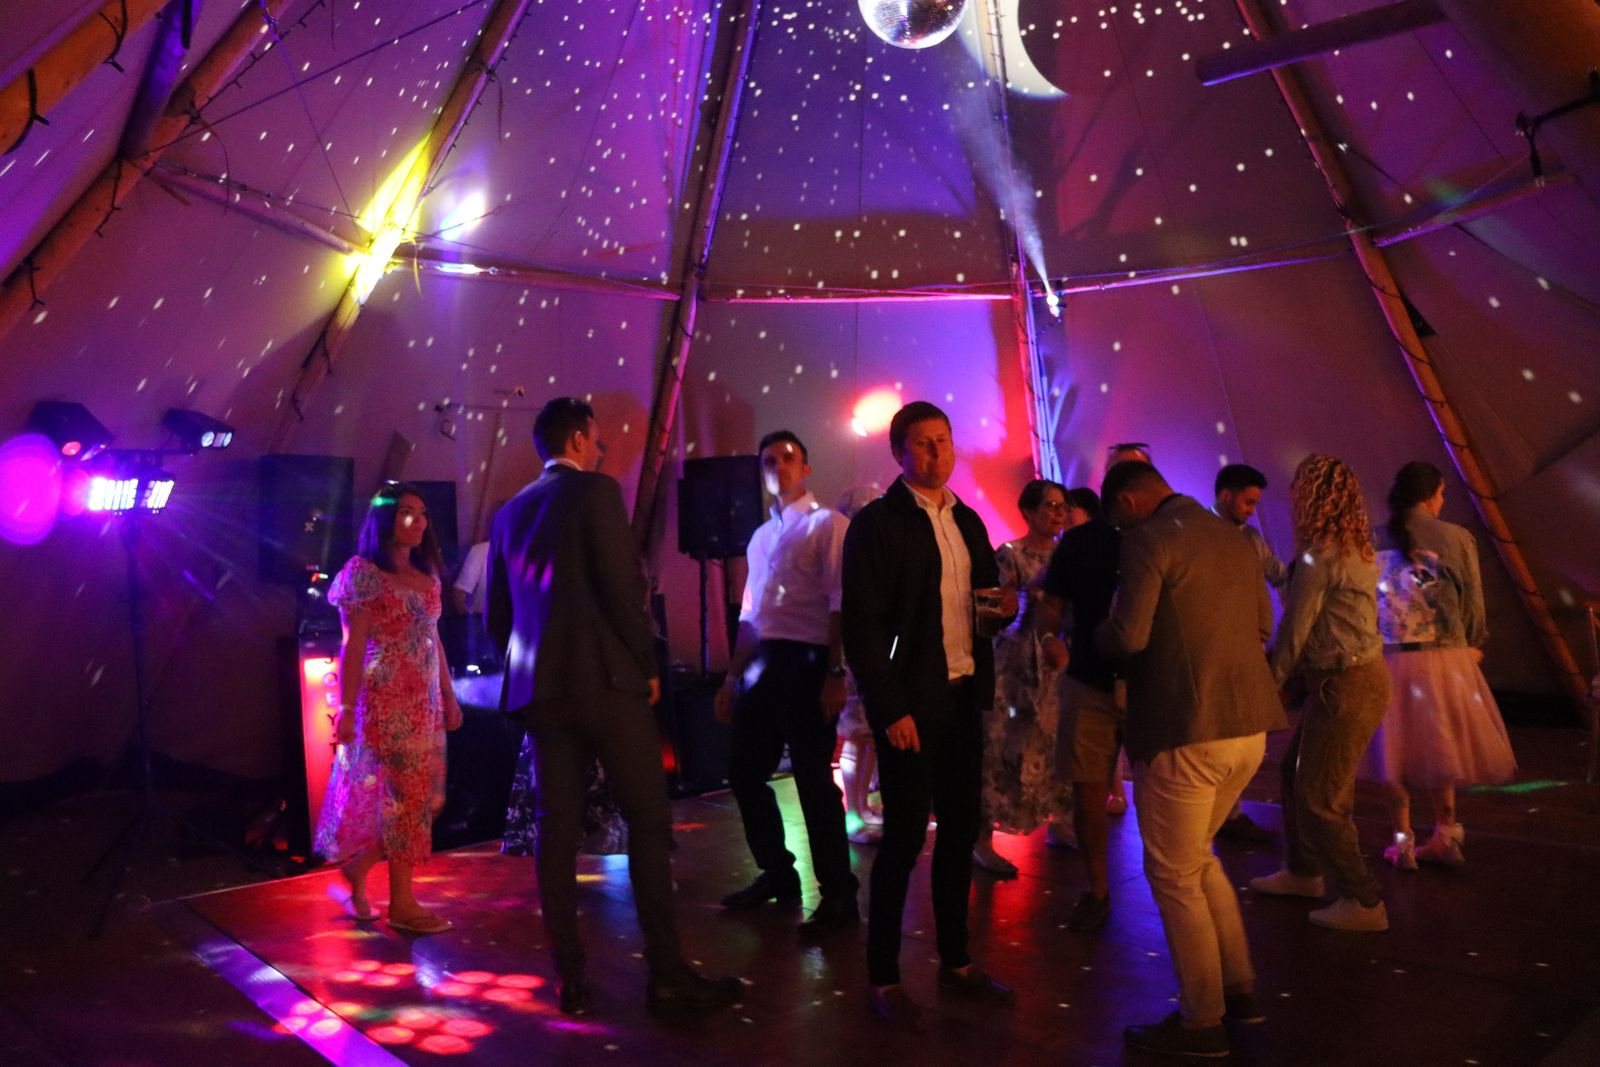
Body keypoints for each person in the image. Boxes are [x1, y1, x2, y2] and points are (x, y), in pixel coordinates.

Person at [486, 397, 741, 1016]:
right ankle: (667, 974)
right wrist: (646, 665)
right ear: (577, 440)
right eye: (596, 440)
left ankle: (570, 978)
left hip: (541, 694)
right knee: (648, 821)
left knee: (555, 831)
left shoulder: (508, 513)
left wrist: (533, 668)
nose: (601, 450)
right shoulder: (597, 493)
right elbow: (621, 587)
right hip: (605, 683)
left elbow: (499, 616)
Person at [1094, 461, 1284, 1059]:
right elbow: (1263, 625)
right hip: (1249, 727)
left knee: (1173, 875)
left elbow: (1129, 635)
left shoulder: (1148, 539)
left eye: (1116, 520)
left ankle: (1201, 1023)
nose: (1119, 530)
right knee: (1198, 860)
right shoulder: (1236, 538)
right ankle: (1240, 991)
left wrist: (1086, 636)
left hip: (1186, 729)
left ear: (1127, 502)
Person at [843, 401, 1017, 1030]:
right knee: (904, 839)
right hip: (912, 704)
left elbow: (986, 599)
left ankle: (956, 959)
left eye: (943, 440)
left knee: (961, 830)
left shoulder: (966, 519)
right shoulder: (878, 524)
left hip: (963, 694)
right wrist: (890, 707)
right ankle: (884, 976)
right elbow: (862, 627)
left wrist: (1004, 610)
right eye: (922, 443)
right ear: (899, 452)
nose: (937, 452)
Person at [715, 430, 859, 936]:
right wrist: (732, 676)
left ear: (807, 467)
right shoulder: (760, 537)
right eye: (769, 461)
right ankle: (778, 873)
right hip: (767, 663)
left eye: (788, 458)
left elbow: (841, 601)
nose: (778, 467)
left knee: (814, 782)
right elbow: (750, 614)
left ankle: (839, 893)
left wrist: (835, 672)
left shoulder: (828, 524)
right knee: (744, 771)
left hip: (810, 660)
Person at [1251, 454, 1392, 933]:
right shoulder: (1357, 549)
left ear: (1309, 497)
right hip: (1356, 679)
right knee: (1294, 775)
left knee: (1320, 798)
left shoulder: (1319, 557)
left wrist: (1266, 689)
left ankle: (1364, 900)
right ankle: (1303, 872)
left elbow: (1295, 633)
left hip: (1344, 685)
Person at [317, 482, 463, 936]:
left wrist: (448, 693)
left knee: (422, 801)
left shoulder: (426, 577)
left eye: (422, 513)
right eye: (405, 512)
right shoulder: (364, 574)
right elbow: (353, 644)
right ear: (385, 519)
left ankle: (359, 869)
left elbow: (433, 640)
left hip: (423, 704)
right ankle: (402, 903)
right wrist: (346, 707)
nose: (418, 521)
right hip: (384, 700)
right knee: (407, 800)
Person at [1366, 461, 1515, 868]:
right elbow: (1473, 604)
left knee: (1392, 751)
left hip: (1388, 659)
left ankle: (1403, 842)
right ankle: (1445, 835)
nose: (1442, 501)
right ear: (1431, 495)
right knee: (1440, 745)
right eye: (1442, 494)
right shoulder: (1456, 537)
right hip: (1443, 659)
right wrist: (1472, 643)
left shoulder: (1371, 537)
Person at [973, 479, 1075, 878]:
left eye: (1062, 506)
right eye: (1049, 505)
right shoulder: (1009, 554)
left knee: (1054, 745)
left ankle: (1059, 823)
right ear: (1029, 512)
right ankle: (983, 841)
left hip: (1055, 662)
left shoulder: (1068, 554)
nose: (1057, 513)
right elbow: (992, 612)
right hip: (1016, 663)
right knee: (1002, 748)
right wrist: (1018, 598)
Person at [1037, 486, 1122, 932]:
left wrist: (1051, 635)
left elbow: (1051, 605)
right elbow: (1051, 605)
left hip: (1109, 678)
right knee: (1088, 790)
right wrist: (1050, 638)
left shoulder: (1159, 537)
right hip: (1094, 677)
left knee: (1095, 790)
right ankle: (1098, 890)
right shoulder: (1080, 542)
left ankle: (1103, 891)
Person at [1211, 463, 1287, 844]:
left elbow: (1279, 575)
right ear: (1225, 496)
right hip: (1216, 650)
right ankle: (1222, 812)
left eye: (1255, 503)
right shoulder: (1200, 536)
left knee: (1245, 734)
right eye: (1248, 502)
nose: (1252, 510)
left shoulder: (1252, 539)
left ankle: (1229, 809)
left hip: (1248, 650)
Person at [835, 485, 884, 844]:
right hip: (852, 654)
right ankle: (853, 813)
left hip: (875, 651)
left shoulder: (874, 553)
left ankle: (863, 806)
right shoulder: (843, 553)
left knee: (870, 735)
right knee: (856, 734)